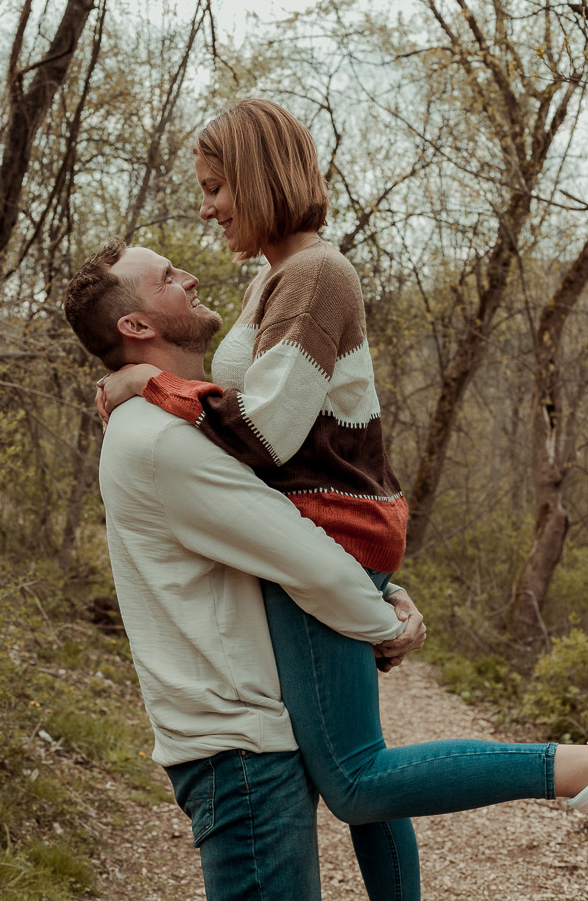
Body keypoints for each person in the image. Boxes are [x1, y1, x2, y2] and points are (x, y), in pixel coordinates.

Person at [67, 239, 588, 901]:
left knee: (363, 782)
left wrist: (384, 589)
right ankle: (574, 768)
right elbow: (305, 555)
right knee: (361, 778)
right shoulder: (158, 440)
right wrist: (385, 621)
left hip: (244, 749)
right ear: (134, 325)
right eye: (168, 277)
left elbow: (272, 534)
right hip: (239, 760)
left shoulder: (175, 425)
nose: (191, 275)